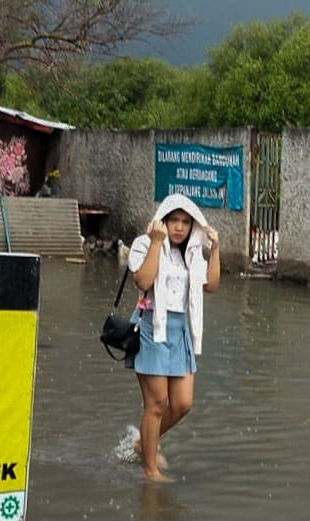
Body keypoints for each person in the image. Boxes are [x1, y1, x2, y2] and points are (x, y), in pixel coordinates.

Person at [127, 193, 221, 482]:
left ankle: (144, 443)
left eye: (185, 222)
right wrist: (156, 241)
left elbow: (211, 286)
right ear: (163, 221)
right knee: (156, 404)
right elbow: (143, 280)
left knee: (182, 404)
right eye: (173, 221)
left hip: (181, 330)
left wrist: (215, 249)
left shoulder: (191, 252)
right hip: (152, 326)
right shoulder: (144, 244)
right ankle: (150, 470)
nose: (179, 228)